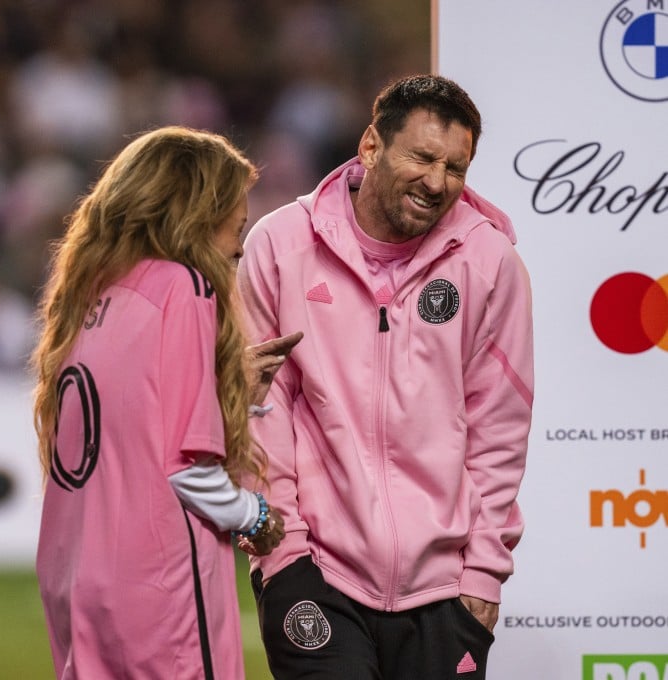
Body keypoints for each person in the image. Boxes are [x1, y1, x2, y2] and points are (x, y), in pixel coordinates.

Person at [237, 74, 534, 679]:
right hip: (314, 571)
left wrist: (481, 571)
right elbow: (257, 408)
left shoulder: (490, 261)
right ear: (371, 147)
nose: (437, 181)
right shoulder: (279, 245)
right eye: (422, 156)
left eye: (456, 167)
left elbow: (499, 427)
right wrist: (284, 550)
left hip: (445, 589)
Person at [32, 126, 291, 679]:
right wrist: (258, 517)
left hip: (74, 573)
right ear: (195, 214)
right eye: (235, 227)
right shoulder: (184, 288)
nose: (239, 247)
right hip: (156, 582)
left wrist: (232, 393)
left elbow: (139, 435)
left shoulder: (92, 293)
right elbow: (187, 472)